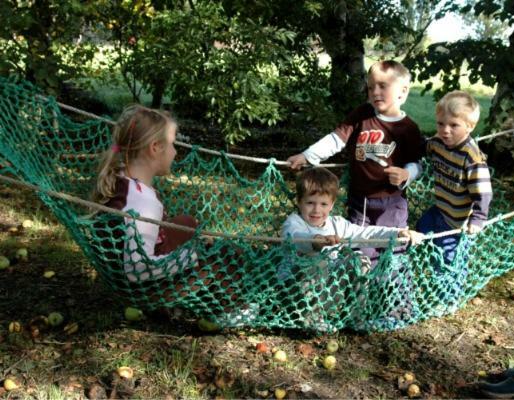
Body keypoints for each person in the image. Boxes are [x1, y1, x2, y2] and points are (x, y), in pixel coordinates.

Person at [93, 105, 248, 324]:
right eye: (173, 144)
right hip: (142, 292)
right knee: (224, 255)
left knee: (186, 223)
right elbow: (137, 269)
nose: (175, 152)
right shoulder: (144, 204)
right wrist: (193, 256)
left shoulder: (122, 181)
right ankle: (234, 311)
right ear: (155, 148)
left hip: (126, 276)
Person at [286, 60, 425, 262]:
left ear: (402, 91)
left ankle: (392, 290)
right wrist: (307, 155)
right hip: (361, 201)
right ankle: (362, 289)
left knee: (393, 249)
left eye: (382, 86)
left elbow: (417, 163)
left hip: (392, 202)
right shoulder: (362, 115)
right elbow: (336, 139)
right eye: (370, 88)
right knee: (359, 250)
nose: (375, 92)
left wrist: (407, 173)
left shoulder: (408, 128)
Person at [280, 167, 422, 331]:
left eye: (323, 204)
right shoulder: (294, 222)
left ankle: (356, 317)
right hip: (294, 289)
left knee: (358, 260)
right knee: (319, 262)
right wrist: (315, 241)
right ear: (299, 201)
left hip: (327, 289)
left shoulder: (337, 224)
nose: (316, 210)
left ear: (332, 205)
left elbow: (365, 234)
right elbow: (294, 239)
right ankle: (311, 319)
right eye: (310, 203)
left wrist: (397, 234)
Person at [416, 90, 492, 307]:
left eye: (454, 125)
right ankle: (428, 267)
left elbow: (483, 192)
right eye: (440, 124)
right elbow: (424, 147)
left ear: (470, 126)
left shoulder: (472, 157)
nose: (445, 131)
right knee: (422, 229)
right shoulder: (438, 143)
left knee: (450, 258)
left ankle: (449, 298)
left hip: (458, 221)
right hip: (440, 208)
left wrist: (477, 219)